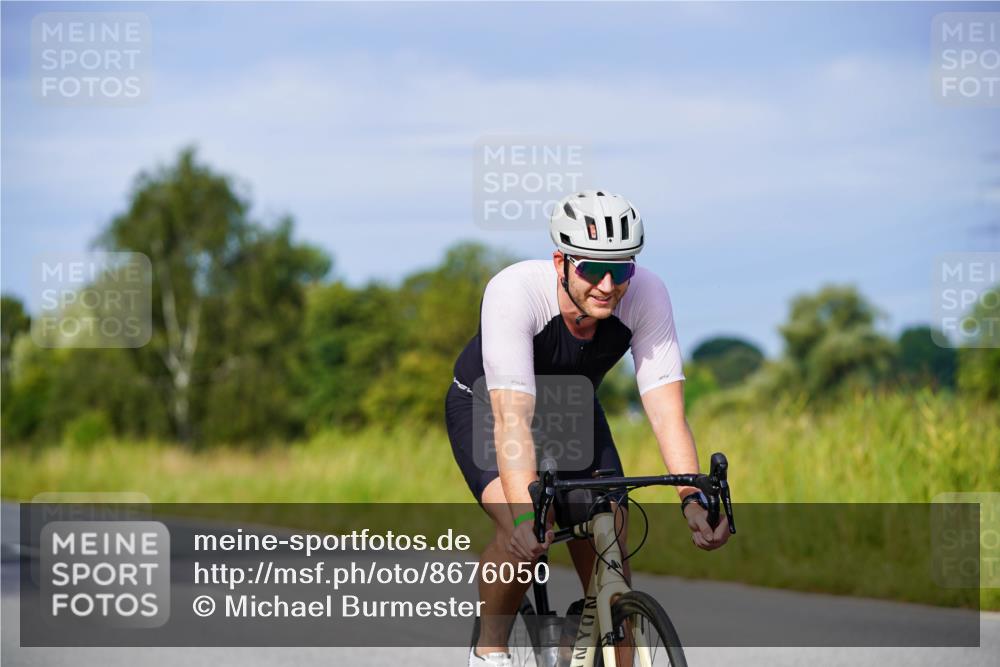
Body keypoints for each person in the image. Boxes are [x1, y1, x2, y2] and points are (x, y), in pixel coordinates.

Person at [445, 190, 731, 667]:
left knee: (609, 536)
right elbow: (512, 420)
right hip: (489, 406)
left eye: (621, 270)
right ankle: (490, 649)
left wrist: (692, 498)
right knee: (526, 530)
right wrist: (526, 517)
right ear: (561, 262)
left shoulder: (647, 295)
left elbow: (667, 414)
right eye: (592, 269)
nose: (607, 284)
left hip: (571, 407)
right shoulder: (514, 292)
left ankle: (593, 631)